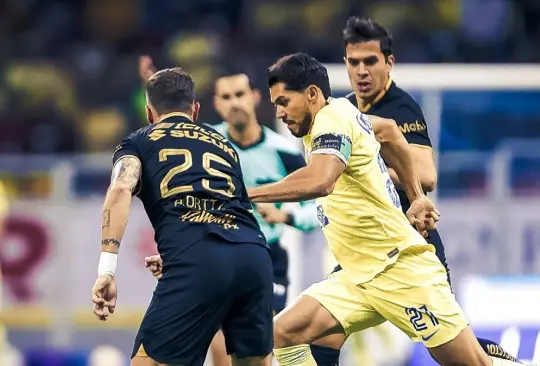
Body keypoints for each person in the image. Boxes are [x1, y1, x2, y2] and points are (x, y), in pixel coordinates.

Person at [247, 52, 521, 366]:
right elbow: (389, 131)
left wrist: (248, 193)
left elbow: (321, 181)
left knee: (471, 363)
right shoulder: (341, 114)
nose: (279, 112)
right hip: (357, 277)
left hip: (399, 270)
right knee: (284, 333)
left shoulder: (331, 119)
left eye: (284, 101)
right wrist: (416, 195)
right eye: (275, 105)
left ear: (311, 94)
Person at [138, 59, 320, 366]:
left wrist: (287, 217)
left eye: (240, 94)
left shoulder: (283, 151)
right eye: (226, 97)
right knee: (222, 354)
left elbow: (319, 203)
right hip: (213, 252)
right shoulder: (206, 143)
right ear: (214, 105)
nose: (234, 103)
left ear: (255, 97)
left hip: (265, 257)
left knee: (261, 346)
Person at [90, 67, 273, 366]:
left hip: (198, 261)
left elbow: (120, 191)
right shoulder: (224, 144)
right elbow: (233, 207)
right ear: (195, 109)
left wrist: (107, 269)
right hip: (253, 257)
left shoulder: (139, 141)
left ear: (150, 112)